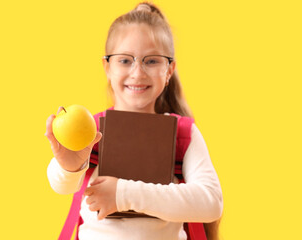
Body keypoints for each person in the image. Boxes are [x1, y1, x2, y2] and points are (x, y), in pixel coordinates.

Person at [45, 2, 223, 240]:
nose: (137, 73)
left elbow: (210, 203)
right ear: (107, 67)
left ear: (169, 70)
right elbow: (62, 186)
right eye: (125, 60)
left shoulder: (183, 134)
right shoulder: (92, 129)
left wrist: (123, 193)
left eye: (151, 61)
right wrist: (69, 166)